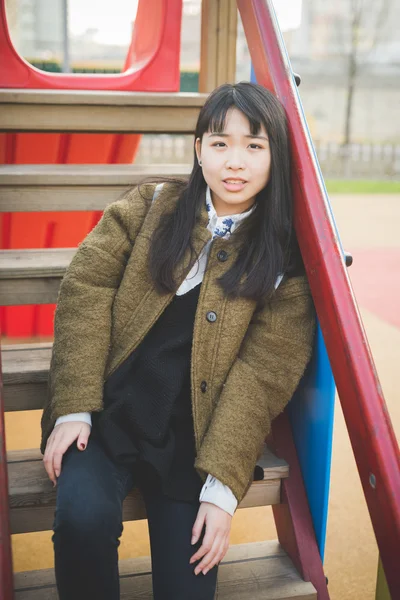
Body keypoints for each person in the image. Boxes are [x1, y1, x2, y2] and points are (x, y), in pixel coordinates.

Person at [41, 81, 316, 600]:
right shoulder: (151, 206)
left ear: (275, 156)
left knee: (188, 585)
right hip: (109, 414)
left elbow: (261, 374)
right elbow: (86, 285)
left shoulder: (284, 263)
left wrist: (223, 487)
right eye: (220, 143)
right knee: (82, 521)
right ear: (198, 150)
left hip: (194, 439)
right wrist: (74, 404)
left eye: (254, 146)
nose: (235, 161)